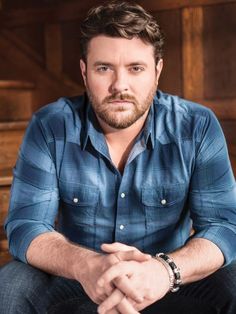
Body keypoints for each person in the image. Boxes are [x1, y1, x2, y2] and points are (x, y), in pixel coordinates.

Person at [0, 1, 236, 313]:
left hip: (169, 277)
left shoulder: (197, 125)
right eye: (104, 68)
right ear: (84, 72)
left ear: (157, 71)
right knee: (10, 284)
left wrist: (164, 271)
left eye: (135, 68)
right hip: (79, 277)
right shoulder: (51, 125)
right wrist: (86, 265)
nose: (119, 86)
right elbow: (26, 224)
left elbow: (225, 224)